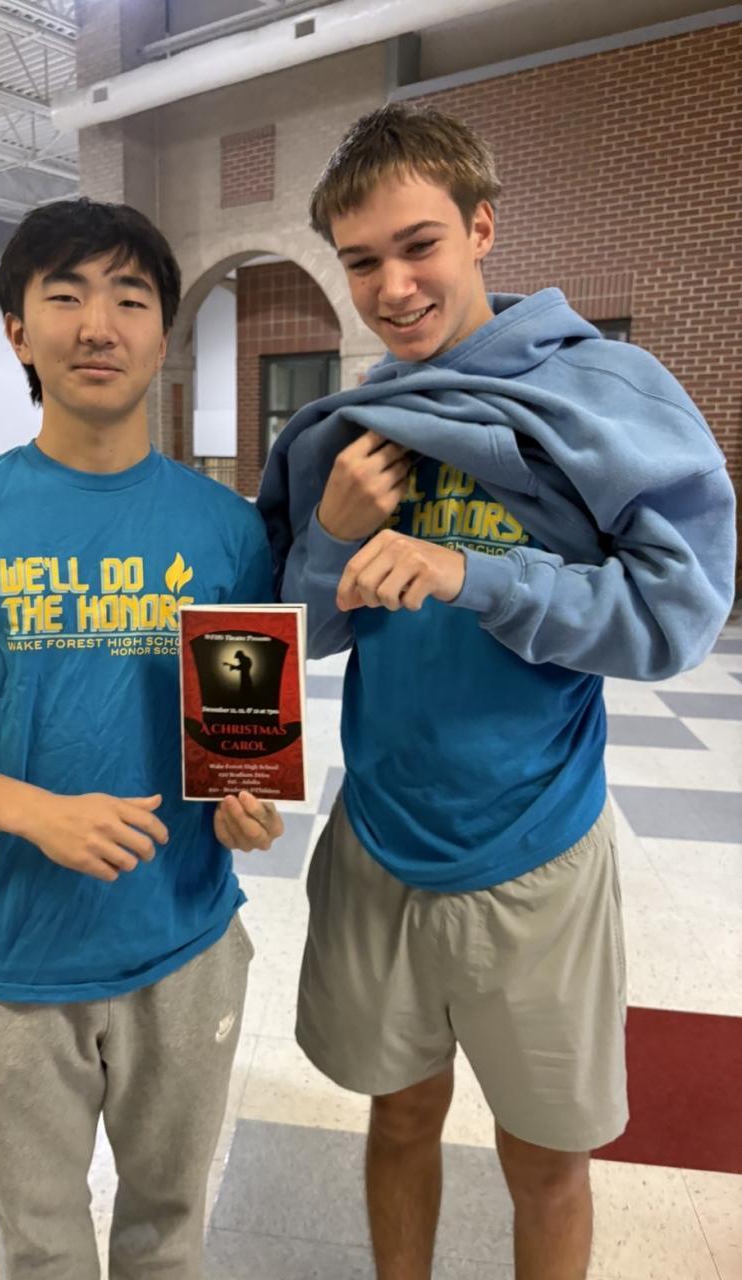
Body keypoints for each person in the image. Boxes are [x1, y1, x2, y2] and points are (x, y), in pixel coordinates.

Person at [257, 104, 735, 1280]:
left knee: (546, 1160)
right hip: (380, 839)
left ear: (480, 228)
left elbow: (674, 616)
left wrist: (474, 573)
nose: (393, 286)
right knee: (400, 1115)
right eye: (362, 260)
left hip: (534, 853)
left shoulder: (601, 394)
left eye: (419, 244)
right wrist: (332, 532)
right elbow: (300, 631)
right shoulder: (356, 430)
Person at [0, 198, 283, 1280]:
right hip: (11, 956)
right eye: (66, 295)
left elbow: (243, 729)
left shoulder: (227, 528)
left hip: (183, 940)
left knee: (168, 1234)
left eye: (129, 298)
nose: (98, 324)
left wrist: (248, 802)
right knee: (40, 1248)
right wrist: (34, 813)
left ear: (163, 334)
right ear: (17, 331)